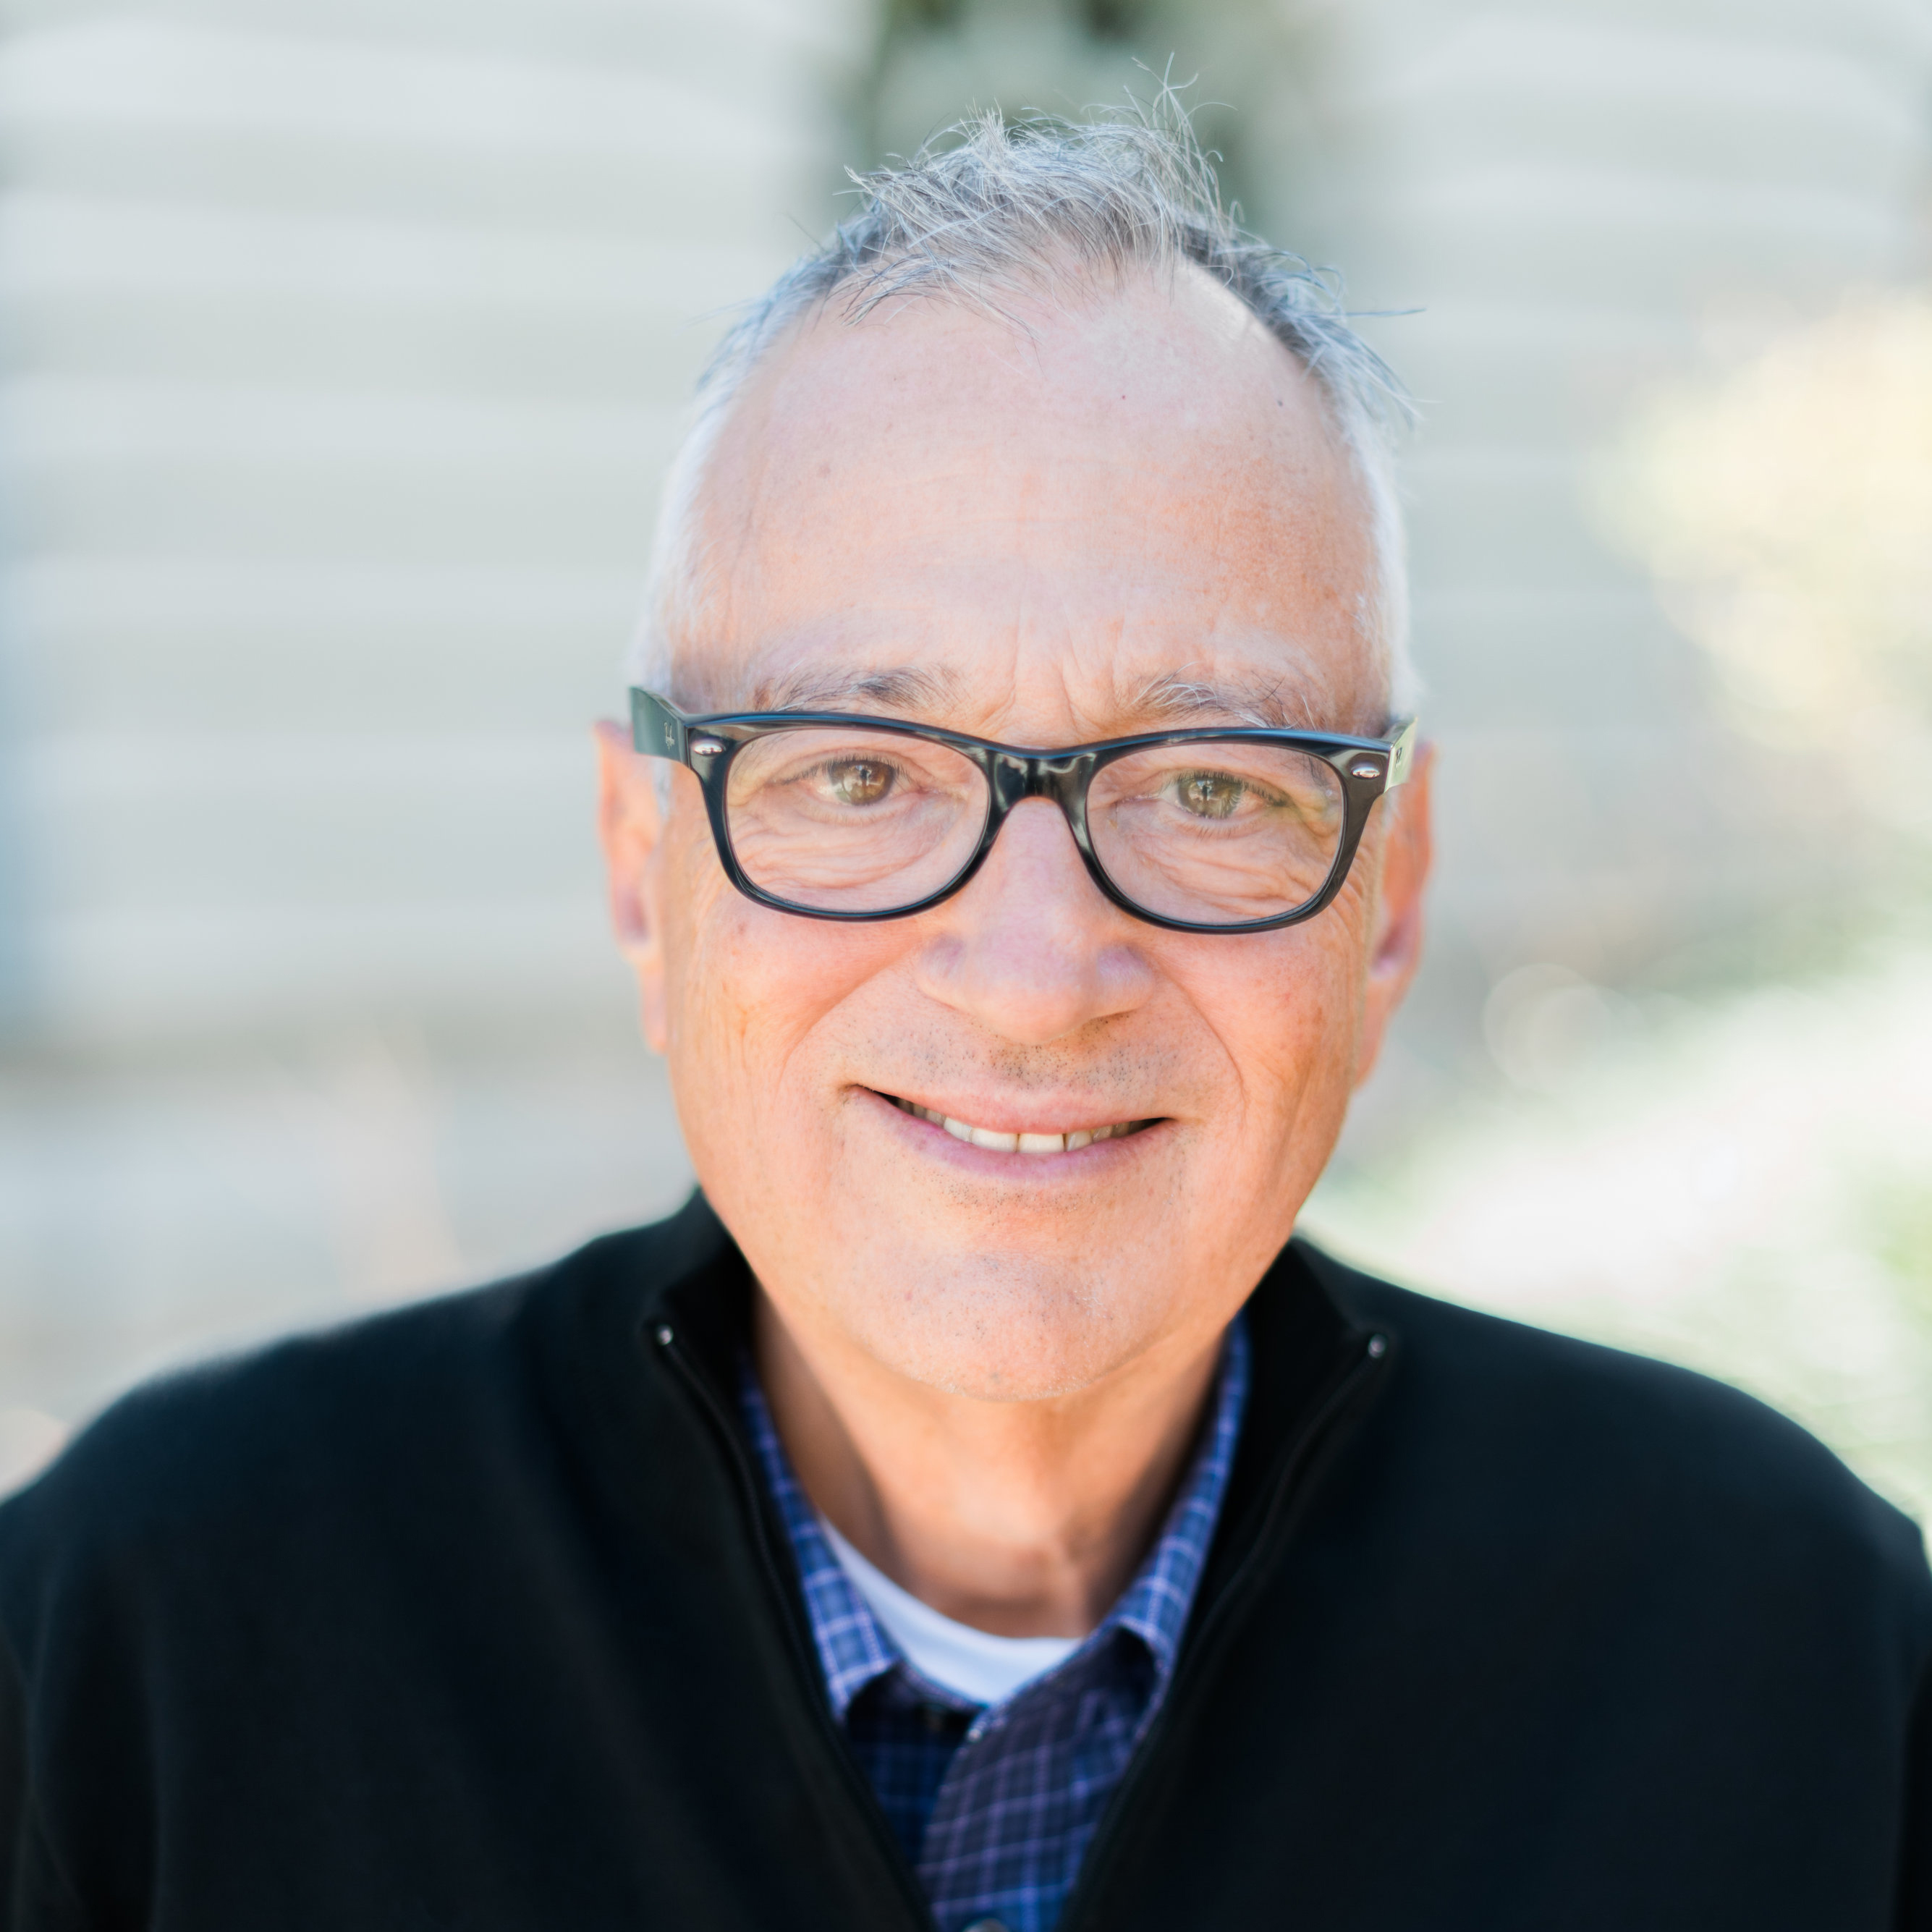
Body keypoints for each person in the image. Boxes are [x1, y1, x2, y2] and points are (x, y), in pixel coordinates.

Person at [2, 106, 1928, 1932]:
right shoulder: (144, 1642)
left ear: (1391, 896)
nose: (1034, 973)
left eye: (1209, 786)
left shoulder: (1795, 1661)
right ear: (641, 868)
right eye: (858, 776)